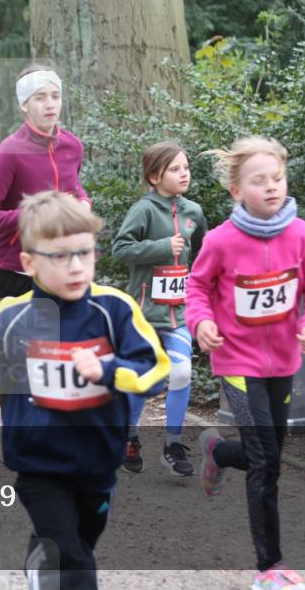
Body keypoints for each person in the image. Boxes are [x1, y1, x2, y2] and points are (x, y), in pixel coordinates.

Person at [0, 190, 171, 590]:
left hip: (97, 460)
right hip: (37, 462)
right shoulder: (12, 315)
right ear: (28, 262)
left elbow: (155, 370)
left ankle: (43, 553)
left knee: (81, 541)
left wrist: (110, 370)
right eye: (59, 256)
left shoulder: (115, 309)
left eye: (85, 253)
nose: (75, 266)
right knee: (75, 562)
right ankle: (54, 557)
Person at [186, 136, 305, 590]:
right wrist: (201, 323)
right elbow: (196, 289)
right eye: (259, 181)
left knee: (267, 454)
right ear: (236, 191)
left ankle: (219, 452)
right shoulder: (221, 240)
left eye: (278, 178)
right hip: (237, 361)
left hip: (284, 361)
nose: (272, 187)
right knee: (267, 461)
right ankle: (269, 568)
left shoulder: (302, 235)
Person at [112, 141, 208, 476]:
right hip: (143, 315)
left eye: (187, 167)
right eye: (176, 169)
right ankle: (129, 435)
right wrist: (161, 247)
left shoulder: (194, 212)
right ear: (155, 176)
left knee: (182, 372)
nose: (185, 174)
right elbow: (120, 249)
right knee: (143, 379)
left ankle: (172, 443)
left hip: (177, 314)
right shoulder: (144, 210)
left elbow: (203, 257)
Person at [0, 63, 91, 314]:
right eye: (40, 97)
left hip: (59, 265)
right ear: (24, 104)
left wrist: (83, 202)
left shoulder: (73, 146)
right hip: (13, 270)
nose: (50, 104)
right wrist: (36, 215)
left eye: (55, 96)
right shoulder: (9, 152)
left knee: (56, 348)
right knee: (11, 351)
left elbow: (74, 186)